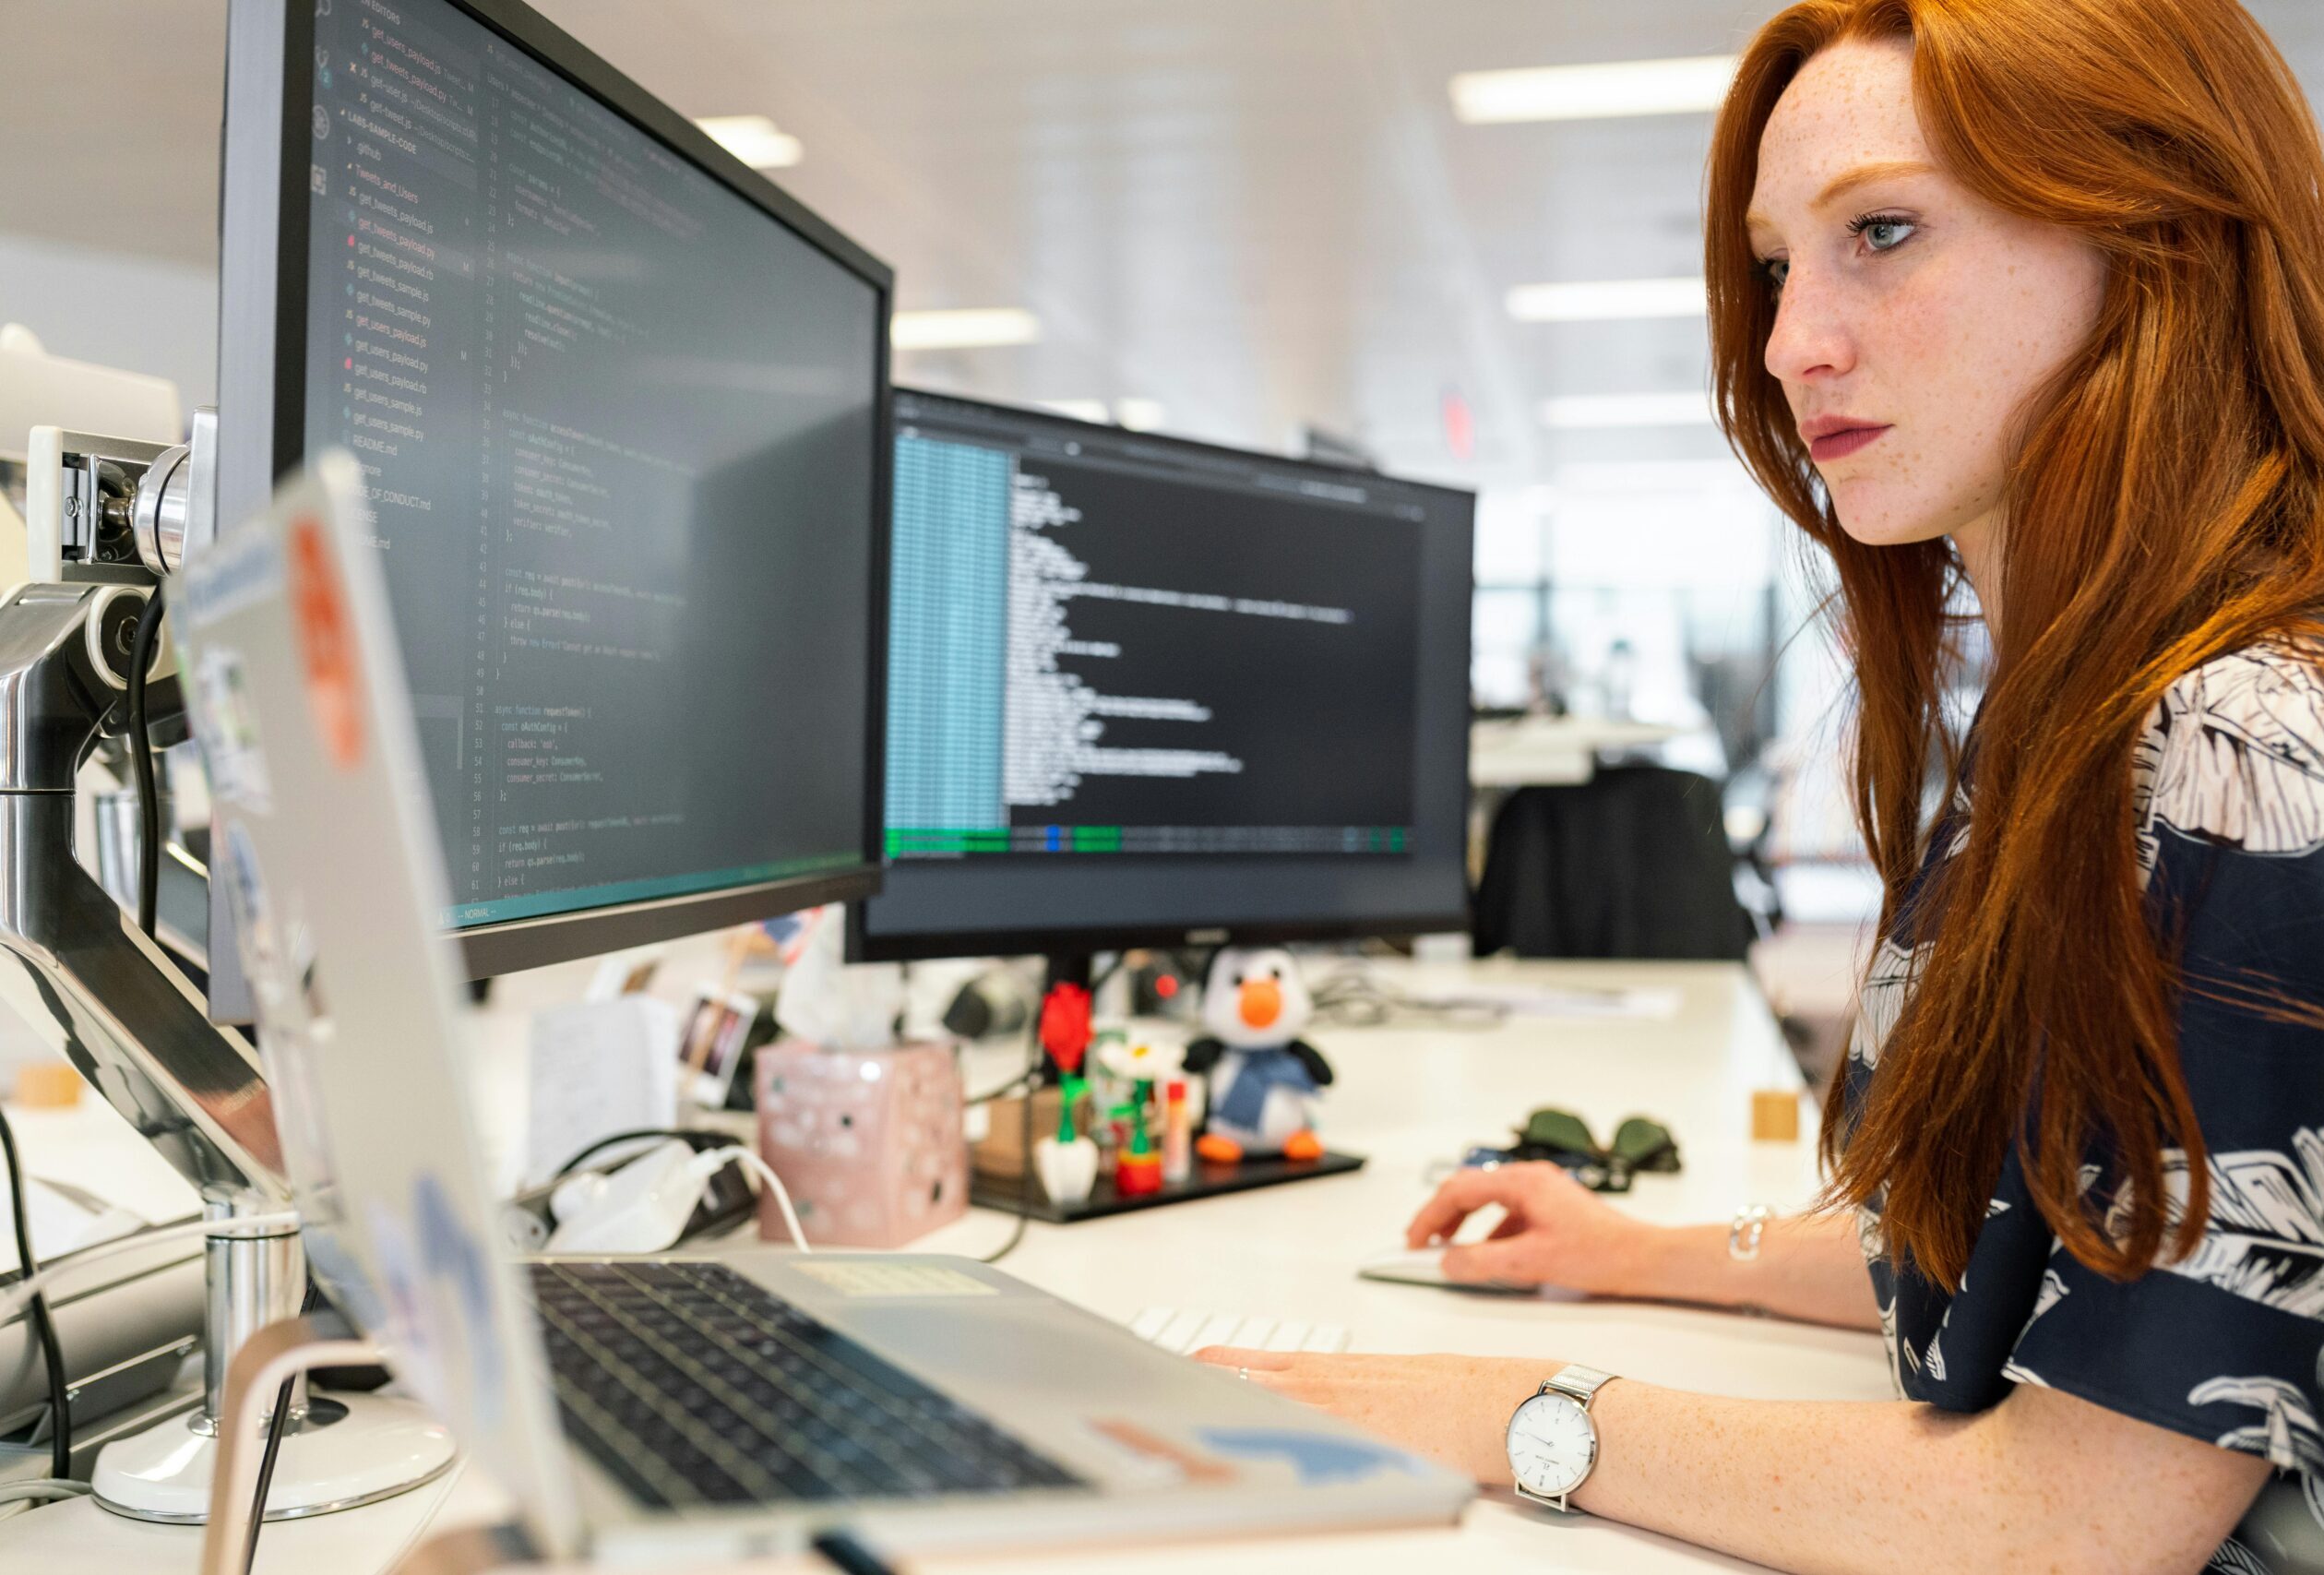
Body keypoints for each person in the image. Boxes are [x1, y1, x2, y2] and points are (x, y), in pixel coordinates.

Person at [1195, 1, 2324, 1569]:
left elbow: (2080, 1519)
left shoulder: (2243, 749)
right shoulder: (2068, 725)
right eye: (1782, 263)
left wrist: (1508, 1413)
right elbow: (2014, 1245)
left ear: (2157, 238)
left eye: (1883, 230)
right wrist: (1644, 1251)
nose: (1793, 341)